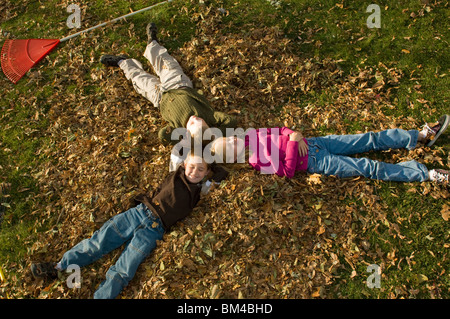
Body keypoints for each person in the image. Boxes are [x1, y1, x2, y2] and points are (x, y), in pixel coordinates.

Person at [30, 151, 228, 299]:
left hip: (153, 231)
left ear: (207, 173)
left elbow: (221, 173)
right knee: (98, 242)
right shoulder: (175, 172)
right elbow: (179, 148)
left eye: (201, 169)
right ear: (184, 164)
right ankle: (59, 266)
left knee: (125, 269)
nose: (194, 171)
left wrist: (210, 168)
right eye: (192, 166)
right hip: (137, 213)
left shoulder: (200, 191)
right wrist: (198, 147)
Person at [100, 22, 236, 144]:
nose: (196, 119)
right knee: (164, 62)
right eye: (201, 122)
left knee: (139, 80)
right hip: (178, 84)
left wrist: (182, 137)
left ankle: (122, 62)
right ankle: (152, 43)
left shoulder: (179, 129)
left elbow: (162, 136)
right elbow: (231, 122)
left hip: (159, 98)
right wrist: (214, 136)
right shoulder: (209, 116)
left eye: (194, 123)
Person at [209, 114, 450, 184]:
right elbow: (288, 170)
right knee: (368, 167)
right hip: (316, 163)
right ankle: (425, 174)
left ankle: (417, 136)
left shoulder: (253, 135)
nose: (233, 140)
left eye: (229, 138)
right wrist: (293, 142)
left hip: (317, 142)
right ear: (233, 158)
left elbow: (280, 129)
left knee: (368, 139)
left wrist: (293, 133)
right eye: (229, 146)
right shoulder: (257, 163)